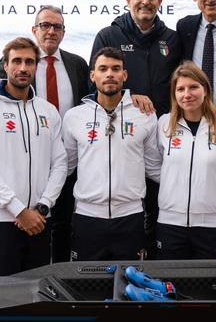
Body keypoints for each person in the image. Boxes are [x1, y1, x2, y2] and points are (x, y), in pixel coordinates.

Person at [0, 6, 89, 263]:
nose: (51, 31)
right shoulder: (20, 63)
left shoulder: (78, 64)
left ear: (63, 32)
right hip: (27, 165)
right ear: (34, 30)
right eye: (45, 25)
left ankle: (59, 276)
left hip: (67, 162)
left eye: (57, 26)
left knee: (62, 227)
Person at [90, 0, 182, 258]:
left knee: (158, 204)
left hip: (164, 136)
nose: (145, 1)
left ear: (160, 2)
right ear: (128, 0)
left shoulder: (172, 38)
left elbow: (184, 83)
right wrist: (130, 96)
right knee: (126, 206)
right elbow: (95, 83)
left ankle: (154, 264)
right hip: (122, 138)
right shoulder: (108, 35)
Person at [0, 37, 68, 276]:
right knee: (2, 292)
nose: (23, 68)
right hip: (2, 220)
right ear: (5, 65)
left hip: (41, 220)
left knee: (37, 291)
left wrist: (43, 206)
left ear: (36, 66)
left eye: (29, 62)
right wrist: (19, 211)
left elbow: (60, 163)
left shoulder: (48, 110)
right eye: (17, 61)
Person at [62, 47, 161, 261]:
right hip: (88, 217)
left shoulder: (145, 115)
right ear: (93, 75)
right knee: (85, 280)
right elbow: (65, 167)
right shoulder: (73, 117)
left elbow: (154, 167)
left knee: (129, 280)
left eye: (116, 69)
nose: (109, 74)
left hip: (130, 217)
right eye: (103, 69)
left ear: (124, 75)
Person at [156, 61, 216, 260]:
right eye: (180, 89)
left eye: (193, 87)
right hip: (170, 223)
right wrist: (174, 183)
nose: (187, 94)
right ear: (174, 94)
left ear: (205, 89)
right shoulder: (163, 124)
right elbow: (154, 165)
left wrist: (209, 183)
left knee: (210, 279)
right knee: (169, 278)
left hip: (212, 225)